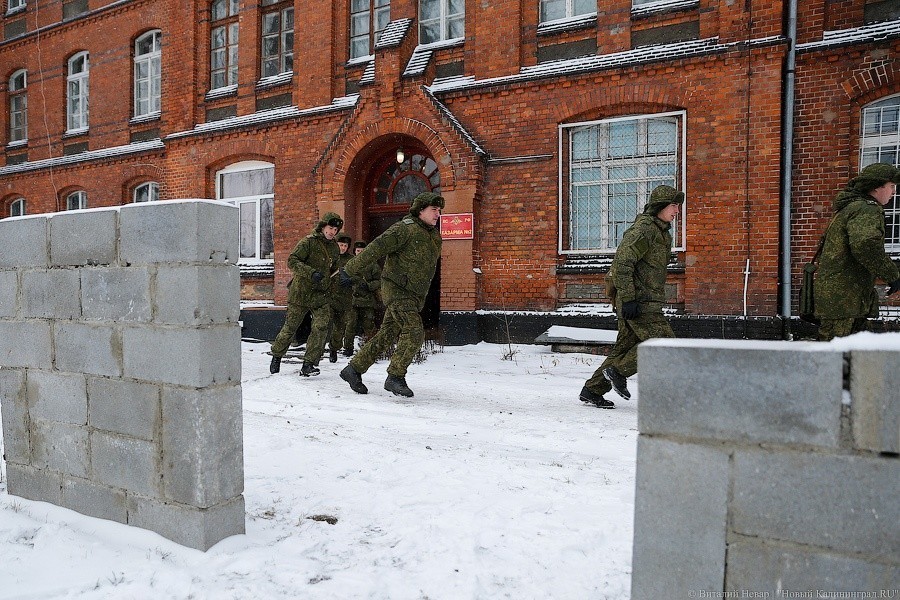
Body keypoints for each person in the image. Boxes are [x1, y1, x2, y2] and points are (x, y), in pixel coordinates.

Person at [579, 185, 684, 409]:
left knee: (624, 348)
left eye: (678, 206)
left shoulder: (661, 231)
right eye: (674, 205)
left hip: (645, 299)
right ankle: (617, 372)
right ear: (660, 206)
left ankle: (592, 390)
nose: (677, 210)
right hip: (639, 302)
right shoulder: (644, 229)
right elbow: (622, 264)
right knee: (663, 345)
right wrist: (628, 299)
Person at [338, 192, 443, 397]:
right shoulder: (404, 229)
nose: (437, 214)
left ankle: (353, 369)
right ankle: (395, 376)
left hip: (414, 294)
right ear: (420, 210)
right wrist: (349, 270)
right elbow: (376, 248)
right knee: (414, 331)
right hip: (397, 290)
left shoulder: (433, 236)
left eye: (439, 210)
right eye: (434, 210)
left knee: (386, 334)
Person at [813, 163, 900, 341]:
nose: (894, 192)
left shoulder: (851, 208)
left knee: (848, 357)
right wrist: (892, 274)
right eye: (892, 186)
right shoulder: (866, 209)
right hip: (846, 301)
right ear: (877, 187)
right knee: (836, 358)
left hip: (842, 299)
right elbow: (865, 245)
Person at [269, 212, 345, 377]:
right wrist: (311, 273)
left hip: (321, 295)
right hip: (301, 294)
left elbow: (334, 269)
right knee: (290, 328)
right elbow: (292, 261)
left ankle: (309, 364)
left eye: (335, 229)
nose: (332, 232)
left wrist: (336, 279)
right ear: (323, 227)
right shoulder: (308, 242)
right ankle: (277, 356)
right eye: (330, 228)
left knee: (321, 328)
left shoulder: (333, 247)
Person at [344, 240, 381, 356]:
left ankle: (372, 349)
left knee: (369, 325)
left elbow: (379, 280)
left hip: (367, 300)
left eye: (362, 251)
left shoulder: (372, 264)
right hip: (352, 300)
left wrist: (369, 285)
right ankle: (348, 348)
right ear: (355, 251)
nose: (360, 253)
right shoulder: (350, 264)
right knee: (350, 324)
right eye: (358, 251)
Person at [326, 233, 354, 362]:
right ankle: (316, 351)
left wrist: (352, 280)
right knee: (323, 324)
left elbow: (359, 274)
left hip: (344, 298)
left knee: (339, 327)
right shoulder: (329, 257)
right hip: (329, 297)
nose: (342, 248)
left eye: (345, 245)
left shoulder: (352, 260)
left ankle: (334, 349)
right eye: (340, 245)